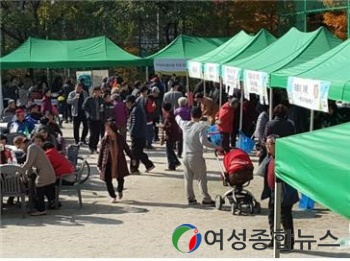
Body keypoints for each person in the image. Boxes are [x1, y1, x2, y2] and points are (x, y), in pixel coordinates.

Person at [175, 107, 222, 206]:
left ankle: (190, 198)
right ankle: (206, 198)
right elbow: (204, 142)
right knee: (201, 178)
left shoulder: (185, 124)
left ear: (191, 115)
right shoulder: (201, 127)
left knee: (188, 179)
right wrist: (217, 147)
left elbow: (178, 118)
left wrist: (178, 112)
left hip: (185, 155)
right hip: (195, 155)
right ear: (201, 116)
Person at [261, 134, 299, 251]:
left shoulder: (284, 158)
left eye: (270, 144)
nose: (268, 146)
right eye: (266, 144)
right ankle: (274, 240)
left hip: (285, 193)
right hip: (273, 192)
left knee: (285, 218)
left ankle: (288, 243)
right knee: (272, 217)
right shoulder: (270, 157)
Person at [13, 136, 57, 216]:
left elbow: (28, 163)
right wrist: (26, 174)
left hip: (44, 172)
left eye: (19, 146)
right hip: (44, 171)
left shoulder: (31, 148)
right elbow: (30, 164)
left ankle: (41, 210)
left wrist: (19, 171)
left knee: (39, 188)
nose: (20, 148)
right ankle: (43, 205)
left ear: (23, 143)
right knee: (41, 189)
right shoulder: (31, 147)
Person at [97, 120, 135, 203]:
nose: (106, 131)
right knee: (108, 180)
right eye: (106, 129)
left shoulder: (120, 138)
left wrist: (132, 158)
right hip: (107, 162)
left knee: (120, 179)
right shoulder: (105, 140)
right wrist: (99, 164)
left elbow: (126, 149)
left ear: (113, 130)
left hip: (119, 161)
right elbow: (101, 152)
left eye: (108, 129)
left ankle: (120, 190)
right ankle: (113, 196)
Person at [125, 95, 155, 174]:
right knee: (139, 152)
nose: (126, 105)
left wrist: (131, 132)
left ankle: (134, 169)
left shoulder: (135, 110)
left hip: (137, 135)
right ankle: (148, 164)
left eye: (127, 103)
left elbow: (135, 123)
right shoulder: (138, 108)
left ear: (130, 102)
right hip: (142, 134)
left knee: (134, 153)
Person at [160, 102, 181, 171]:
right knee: (170, 149)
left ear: (164, 109)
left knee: (169, 151)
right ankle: (176, 162)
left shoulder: (169, 116)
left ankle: (171, 166)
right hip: (174, 134)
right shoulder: (172, 114)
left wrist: (162, 127)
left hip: (171, 135)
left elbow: (170, 127)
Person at [83, 87, 104, 154]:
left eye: (99, 92)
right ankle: (91, 147)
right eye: (97, 92)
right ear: (94, 92)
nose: (98, 93)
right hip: (91, 119)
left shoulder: (101, 100)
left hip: (99, 119)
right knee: (93, 134)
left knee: (97, 134)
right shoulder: (89, 99)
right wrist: (89, 112)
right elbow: (84, 106)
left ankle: (95, 147)